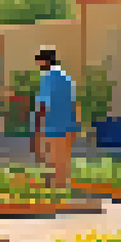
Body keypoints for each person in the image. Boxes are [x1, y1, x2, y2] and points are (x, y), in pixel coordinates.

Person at [32, 47, 80, 191]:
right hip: (68, 125)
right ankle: (62, 189)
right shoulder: (66, 77)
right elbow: (73, 102)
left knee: (52, 161)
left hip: (53, 125)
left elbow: (43, 104)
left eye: (40, 63)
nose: (39, 67)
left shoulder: (47, 78)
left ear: (45, 62)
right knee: (63, 163)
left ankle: (55, 192)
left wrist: (37, 127)